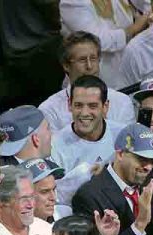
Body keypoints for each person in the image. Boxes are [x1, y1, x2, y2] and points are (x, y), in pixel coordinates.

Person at [49, 75, 124, 208]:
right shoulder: (55, 145)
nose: (84, 113)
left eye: (92, 106)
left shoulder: (122, 135)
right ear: (69, 105)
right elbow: (54, 198)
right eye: (78, 105)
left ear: (105, 106)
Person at [41, 33, 137, 133]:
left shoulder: (122, 102)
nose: (89, 66)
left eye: (93, 58)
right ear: (66, 65)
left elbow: (129, 144)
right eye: (82, 60)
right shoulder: (50, 109)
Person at [61, 0, 152, 91]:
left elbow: (148, 4)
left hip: (126, 70)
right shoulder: (73, 2)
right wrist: (134, 29)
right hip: (94, 78)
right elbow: (96, 41)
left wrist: (150, 14)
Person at [24, 156, 65, 223]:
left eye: (54, 189)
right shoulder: (10, 230)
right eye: (45, 192)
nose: (53, 198)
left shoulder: (64, 214)